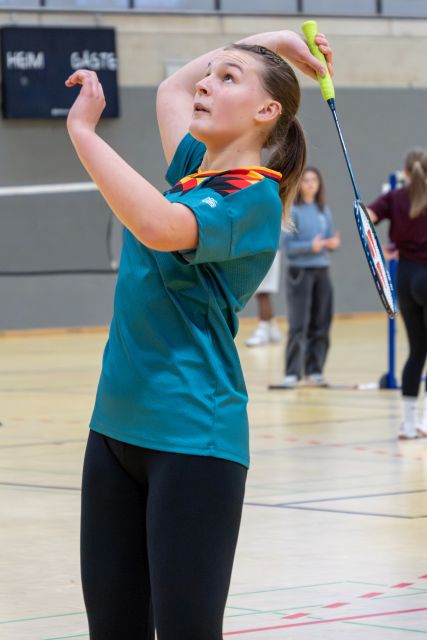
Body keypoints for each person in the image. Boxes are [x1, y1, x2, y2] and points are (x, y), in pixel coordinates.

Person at [65, 28, 333, 640]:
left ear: (267, 111)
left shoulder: (253, 197)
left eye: (228, 78)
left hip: (192, 438)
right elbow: (171, 89)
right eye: (212, 72)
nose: (206, 82)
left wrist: (84, 134)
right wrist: (277, 40)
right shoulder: (195, 172)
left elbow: (160, 226)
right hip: (113, 429)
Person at [368, 149, 427, 440]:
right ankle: (425, 421)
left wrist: (381, 249)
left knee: (416, 352)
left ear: (405, 172)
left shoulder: (394, 197)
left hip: (404, 279)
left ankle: (408, 424)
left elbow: (366, 217)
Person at [281, 166, 340, 387]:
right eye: (305, 180)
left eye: (314, 180)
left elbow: (327, 239)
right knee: (299, 323)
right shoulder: (293, 211)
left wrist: (331, 244)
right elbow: (286, 246)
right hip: (300, 272)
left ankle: (315, 370)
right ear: (299, 185)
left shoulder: (324, 211)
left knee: (321, 322)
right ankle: (292, 373)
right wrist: (309, 246)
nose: (310, 184)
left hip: (322, 270)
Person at [245, 250, 282, 346]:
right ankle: (272, 328)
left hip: (265, 254)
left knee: (262, 293)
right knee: (262, 293)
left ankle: (263, 329)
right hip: (266, 253)